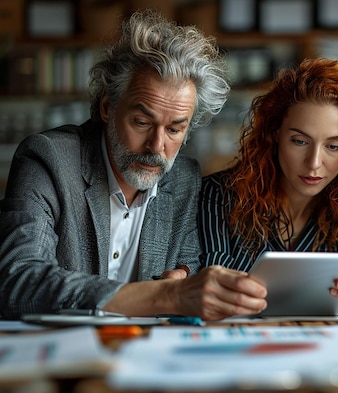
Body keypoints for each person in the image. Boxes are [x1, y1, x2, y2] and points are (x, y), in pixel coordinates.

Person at [0, 10, 265, 321]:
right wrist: (167, 295)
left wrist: (181, 276)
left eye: (174, 130)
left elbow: (187, 261)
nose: (156, 146)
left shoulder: (183, 178)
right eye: (141, 122)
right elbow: (17, 281)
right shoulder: (48, 159)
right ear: (107, 107)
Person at [198, 57, 338, 312]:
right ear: (274, 134)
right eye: (299, 141)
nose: (314, 163)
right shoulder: (218, 196)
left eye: (333, 146)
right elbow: (212, 292)